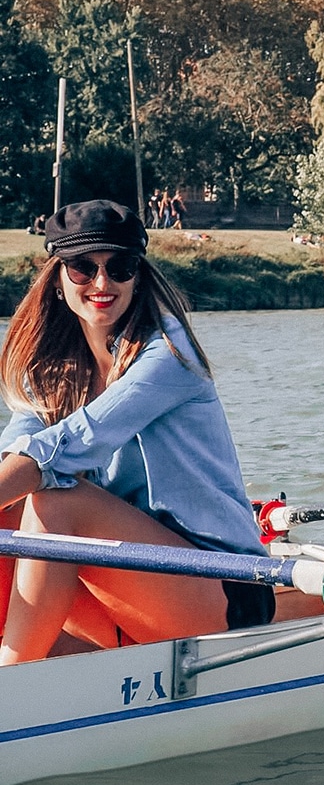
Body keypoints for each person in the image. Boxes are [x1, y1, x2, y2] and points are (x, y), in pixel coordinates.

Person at [0, 200, 273, 664]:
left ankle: (12, 681)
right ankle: (38, 662)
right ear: (58, 275)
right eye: (83, 268)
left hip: (226, 589)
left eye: (120, 266)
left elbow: (69, 445)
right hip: (131, 591)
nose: (103, 283)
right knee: (11, 508)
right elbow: (14, 456)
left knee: (55, 498)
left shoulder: (169, 353)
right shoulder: (49, 369)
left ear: (139, 274)